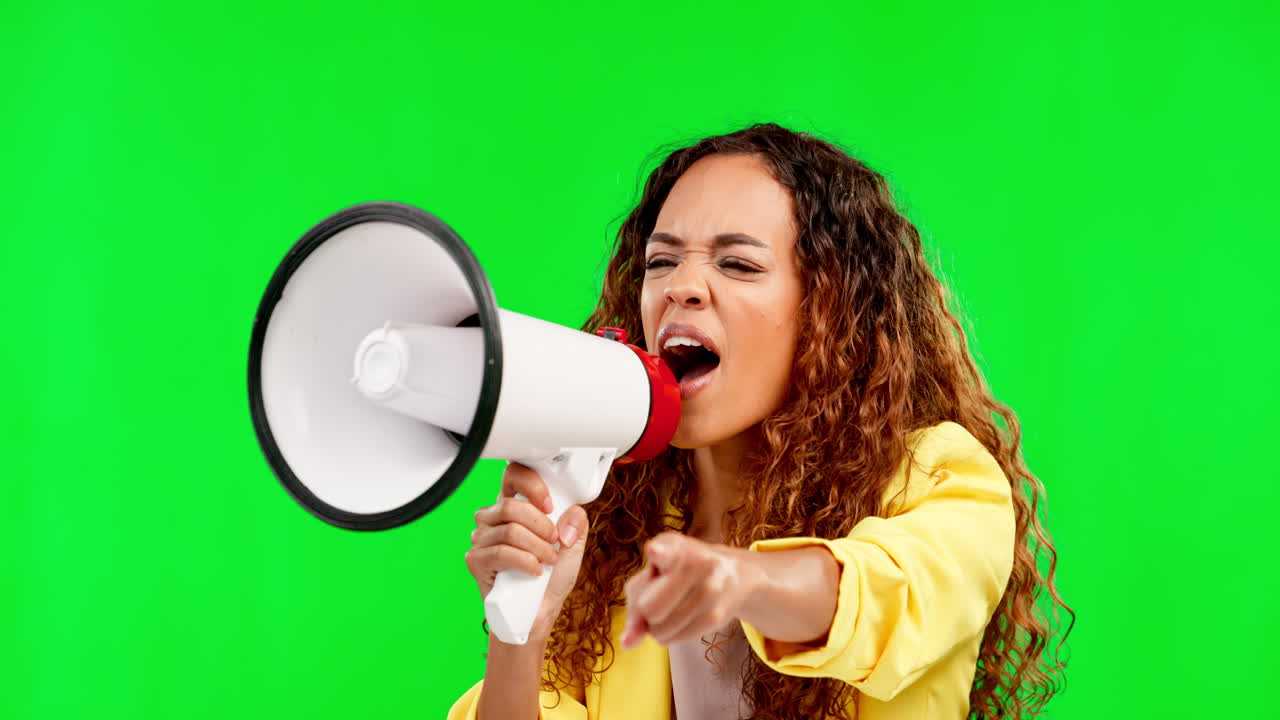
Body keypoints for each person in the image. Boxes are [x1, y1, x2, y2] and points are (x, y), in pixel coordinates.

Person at [448, 124, 1071, 720]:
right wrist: (522, 631)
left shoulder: (943, 477)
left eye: (738, 265)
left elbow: (885, 596)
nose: (682, 288)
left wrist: (738, 578)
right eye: (661, 263)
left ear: (831, 310)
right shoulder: (613, 526)